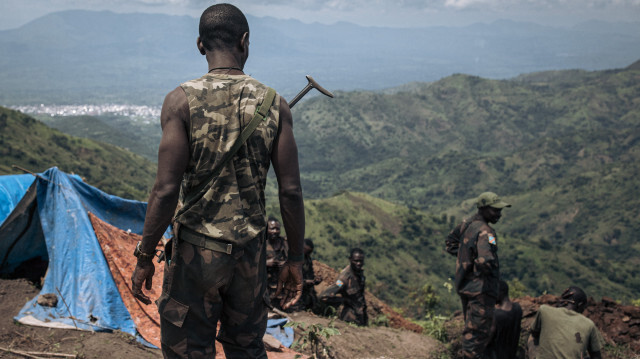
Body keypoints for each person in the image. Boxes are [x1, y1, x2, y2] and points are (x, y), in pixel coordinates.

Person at [129, 4, 305, 358]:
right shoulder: (275, 104)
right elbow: (290, 191)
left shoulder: (180, 101)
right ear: (245, 42)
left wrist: (145, 256)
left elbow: (165, 190)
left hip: (195, 255)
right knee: (246, 348)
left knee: (188, 349)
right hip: (250, 256)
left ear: (199, 45)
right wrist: (295, 259)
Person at [451, 192, 510, 359]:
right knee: (477, 335)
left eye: (500, 210)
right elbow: (485, 260)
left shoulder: (466, 224)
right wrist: (479, 264)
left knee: (471, 330)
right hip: (481, 291)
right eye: (495, 210)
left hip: (466, 287)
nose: (499, 214)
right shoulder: (487, 233)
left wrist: (466, 259)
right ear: (483, 208)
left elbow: (450, 243)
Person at [529, 286, 604, 359]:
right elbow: (596, 356)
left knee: (531, 337)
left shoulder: (544, 310)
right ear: (580, 305)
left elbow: (534, 333)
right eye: (583, 308)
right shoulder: (589, 324)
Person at [319, 248, 368, 326]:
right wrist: (344, 300)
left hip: (360, 316)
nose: (358, 263)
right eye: (356, 261)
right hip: (349, 319)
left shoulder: (359, 274)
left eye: (361, 261)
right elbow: (324, 296)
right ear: (350, 259)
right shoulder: (344, 278)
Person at [485, 280, 522, 359]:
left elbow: (487, 340)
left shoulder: (497, 315)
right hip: (511, 355)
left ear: (500, 292)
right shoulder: (518, 309)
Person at [291, 238, 321, 312]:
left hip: (305, 293)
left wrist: (315, 280)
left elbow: (310, 274)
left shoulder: (308, 260)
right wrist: (305, 281)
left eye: (309, 252)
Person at [266, 217, 289, 303]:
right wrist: (266, 263)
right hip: (265, 285)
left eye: (277, 229)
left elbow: (293, 260)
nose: (275, 231)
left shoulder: (285, 243)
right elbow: (250, 264)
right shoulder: (260, 244)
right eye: (272, 229)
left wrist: (285, 264)